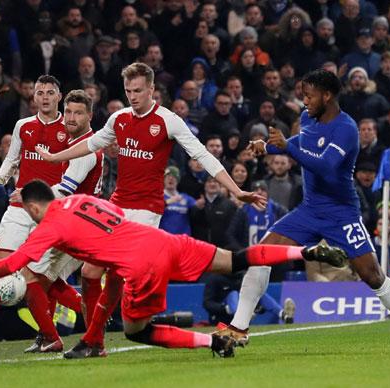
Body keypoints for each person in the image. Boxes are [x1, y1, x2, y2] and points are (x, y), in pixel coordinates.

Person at [0, 180, 345, 358]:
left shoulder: (49, 225)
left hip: (142, 263)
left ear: (31, 207)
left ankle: (211, 343)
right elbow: (110, 219)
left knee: (137, 331)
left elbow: (13, 264)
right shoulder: (80, 201)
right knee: (237, 259)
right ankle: (305, 252)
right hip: (164, 240)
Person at [36, 62, 266, 358]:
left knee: (116, 272)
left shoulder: (168, 121)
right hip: (117, 206)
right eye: (128, 90)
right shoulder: (118, 119)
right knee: (91, 271)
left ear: (152, 90)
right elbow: (90, 144)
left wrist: (235, 190)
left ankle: (94, 341)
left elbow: (202, 155)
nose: (133, 96)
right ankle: (95, 337)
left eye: (138, 91)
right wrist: (56, 158)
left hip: (147, 211)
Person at [221, 69, 390, 352]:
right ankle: (239, 327)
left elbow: (325, 164)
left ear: (327, 95)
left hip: (341, 213)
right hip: (309, 210)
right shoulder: (309, 119)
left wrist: (286, 147)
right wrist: (269, 148)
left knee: (373, 275)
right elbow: (302, 144)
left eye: (309, 96)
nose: (304, 101)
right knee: (261, 255)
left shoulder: (346, 129)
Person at [0, 77, 88, 354]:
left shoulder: (70, 130)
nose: (44, 97)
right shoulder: (24, 126)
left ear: (60, 96)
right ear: (33, 97)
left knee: (43, 277)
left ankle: (81, 318)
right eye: (39, 93)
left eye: (50, 93)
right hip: (19, 207)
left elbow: (72, 179)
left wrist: (36, 195)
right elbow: (12, 159)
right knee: (0, 267)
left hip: (51, 212)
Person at [19, 89, 104, 353]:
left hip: (80, 226)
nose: (70, 117)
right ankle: (53, 335)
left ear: (89, 116)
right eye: (67, 111)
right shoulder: (73, 145)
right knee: (44, 279)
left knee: (34, 278)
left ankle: (81, 333)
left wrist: (28, 195)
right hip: (71, 223)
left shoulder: (86, 150)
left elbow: (65, 190)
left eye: (78, 113)